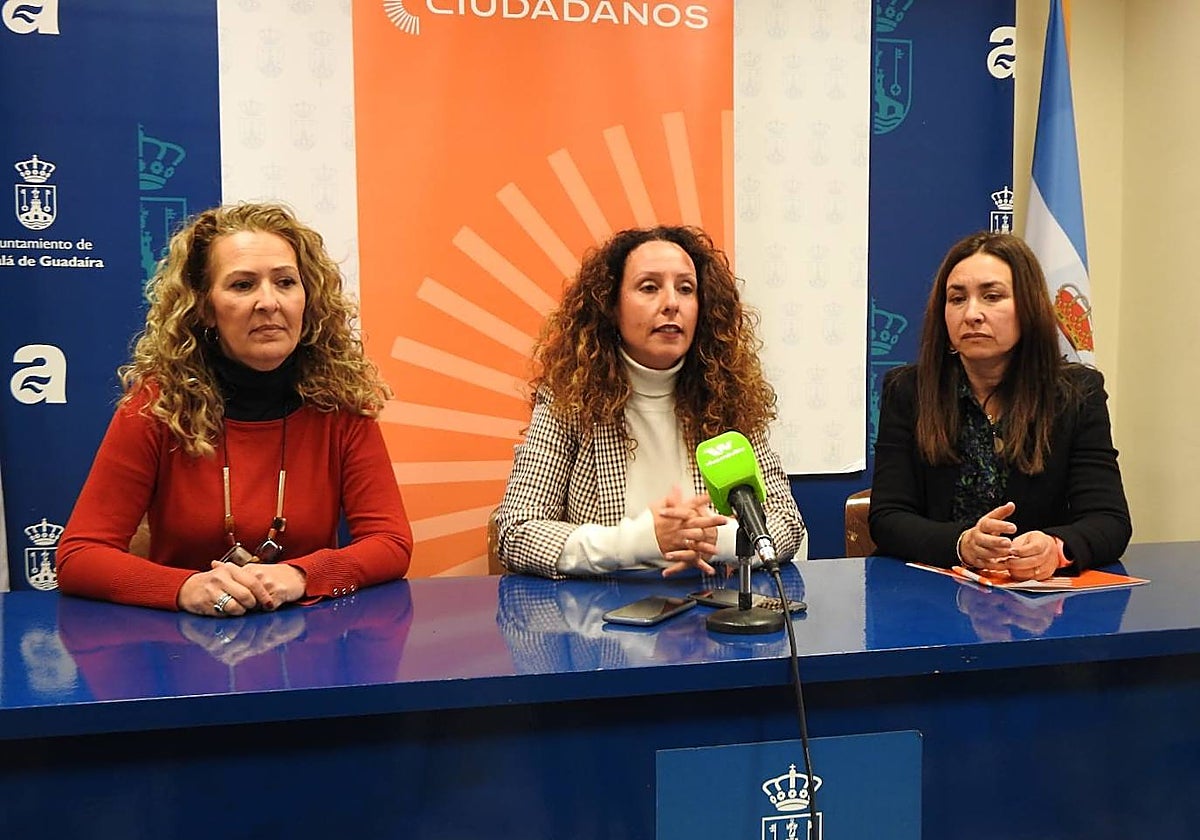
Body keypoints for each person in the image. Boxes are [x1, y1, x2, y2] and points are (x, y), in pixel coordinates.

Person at [58, 203, 413, 615]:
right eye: (243, 285)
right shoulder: (159, 403)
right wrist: (184, 587)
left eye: (285, 282)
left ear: (307, 299)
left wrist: (301, 575)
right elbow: (79, 556)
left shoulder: (341, 403)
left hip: (311, 649)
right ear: (205, 307)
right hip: (183, 650)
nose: (269, 302)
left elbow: (391, 543)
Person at [495, 225, 804, 579]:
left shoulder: (728, 396)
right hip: (602, 620)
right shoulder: (569, 400)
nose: (672, 302)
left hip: (713, 616)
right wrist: (638, 542)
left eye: (686, 289)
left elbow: (787, 524)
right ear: (611, 306)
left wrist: (715, 539)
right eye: (649, 287)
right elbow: (517, 533)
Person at [869, 231, 1131, 581]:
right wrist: (962, 543)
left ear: (1028, 307)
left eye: (992, 297)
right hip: (929, 591)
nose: (972, 313)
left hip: (1035, 600)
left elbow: (1109, 521)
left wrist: (1055, 548)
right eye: (957, 299)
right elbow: (888, 518)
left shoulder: (1076, 393)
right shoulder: (909, 391)